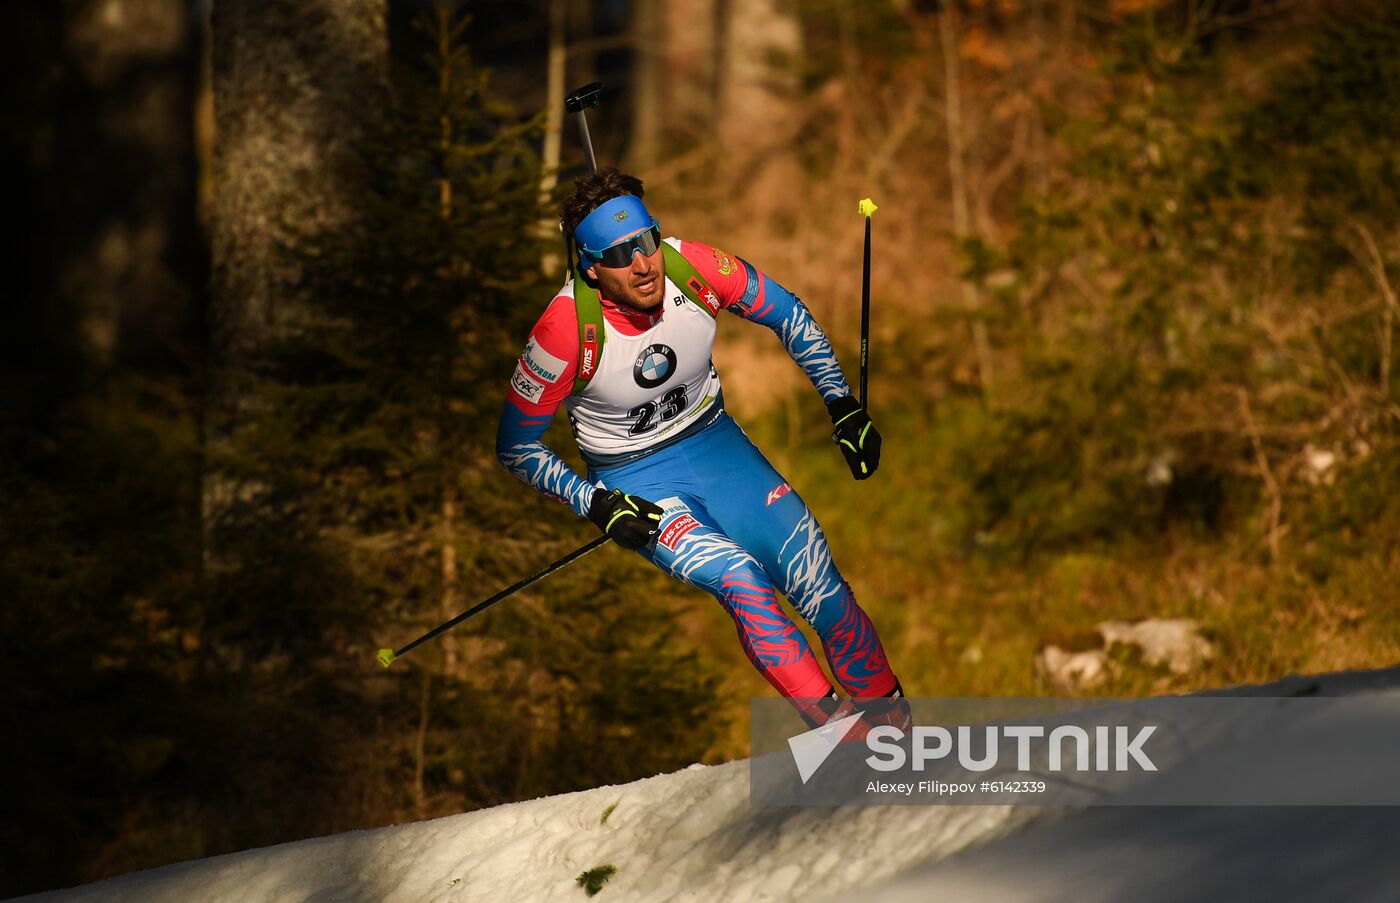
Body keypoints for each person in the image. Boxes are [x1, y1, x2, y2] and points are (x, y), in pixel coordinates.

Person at [496, 167, 908, 731]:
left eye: (646, 242)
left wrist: (842, 405)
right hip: (636, 482)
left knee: (820, 584)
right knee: (740, 579)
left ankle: (897, 728)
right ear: (591, 268)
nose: (643, 264)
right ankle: (841, 739)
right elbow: (516, 446)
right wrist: (593, 501)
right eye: (620, 255)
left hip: (719, 449)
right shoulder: (565, 331)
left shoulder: (696, 267)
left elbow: (787, 312)